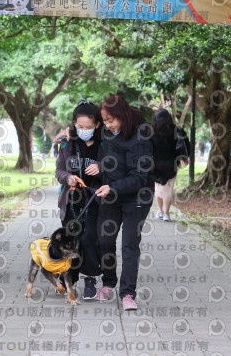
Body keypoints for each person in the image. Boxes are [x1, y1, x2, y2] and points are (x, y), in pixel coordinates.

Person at [95, 94, 154, 311]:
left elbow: (140, 176)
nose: (108, 125)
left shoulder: (141, 134)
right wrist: (69, 132)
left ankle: (128, 293)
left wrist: (113, 187)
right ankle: (108, 282)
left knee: (129, 244)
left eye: (111, 120)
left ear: (122, 115)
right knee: (104, 240)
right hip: (110, 194)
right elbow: (86, 127)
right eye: (105, 120)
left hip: (137, 196)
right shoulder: (107, 131)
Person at [54, 100, 103, 299]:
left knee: (89, 238)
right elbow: (59, 171)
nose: (84, 130)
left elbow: (116, 166)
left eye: (88, 127)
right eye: (80, 126)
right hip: (71, 202)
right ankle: (69, 277)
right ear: (74, 124)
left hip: (95, 202)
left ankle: (90, 278)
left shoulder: (105, 144)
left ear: (97, 125)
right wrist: (68, 178)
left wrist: (101, 166)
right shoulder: (68, 144)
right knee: (70, 240)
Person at [151, 108, 190, 221]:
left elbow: (146, 147)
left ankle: (159, 211)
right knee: (168, 189)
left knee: (157, 187)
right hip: (172, 164)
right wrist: (184, 157)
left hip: (156, 165)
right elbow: (186, 145)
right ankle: (166, 214)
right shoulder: (177, 130)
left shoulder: (151, 131)